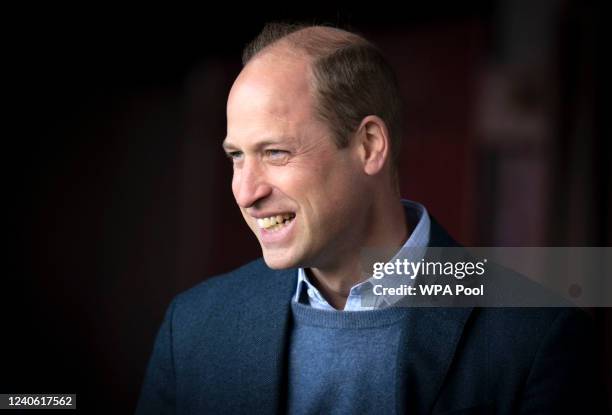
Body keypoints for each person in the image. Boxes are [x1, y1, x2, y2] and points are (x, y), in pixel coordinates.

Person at [136, 23, 604, 414]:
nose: (245, 191)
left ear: (369, 146)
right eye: (237, 156)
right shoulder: (193, 328)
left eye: (275, 153)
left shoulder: (537, 337)